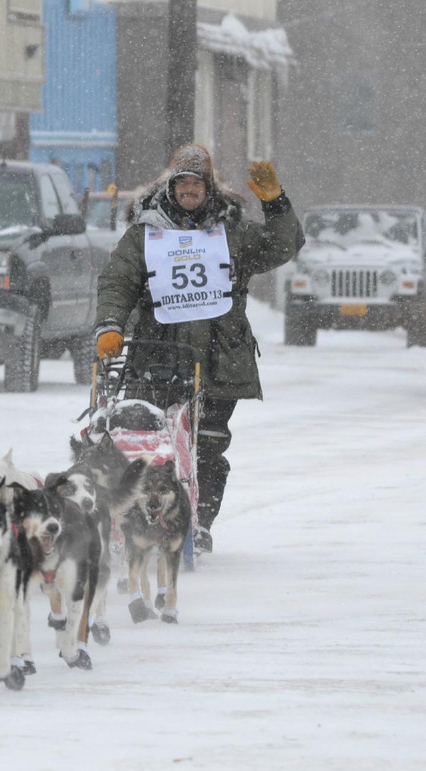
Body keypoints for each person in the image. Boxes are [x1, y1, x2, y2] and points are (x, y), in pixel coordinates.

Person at [93, 143, 304, 554]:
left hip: (220, 358)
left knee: (206, 445)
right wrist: (110, 326)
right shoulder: (145, 234)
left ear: (209, 189)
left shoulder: (234, 233)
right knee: (155, 444)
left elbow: (283, 247)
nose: (190, 190)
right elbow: (118, 281)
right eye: (183, 183)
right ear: (170, 187)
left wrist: (276, 203)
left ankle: (199, 523)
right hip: (157, 355)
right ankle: (145, 521)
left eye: (197, 183)